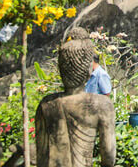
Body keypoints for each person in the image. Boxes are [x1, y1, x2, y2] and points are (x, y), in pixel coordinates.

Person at [35, 28, 116, 167]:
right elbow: (108, 155)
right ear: (89, 68)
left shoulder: (46, 104)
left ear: (61, 68)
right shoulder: (102, 105)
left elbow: (41, 155)